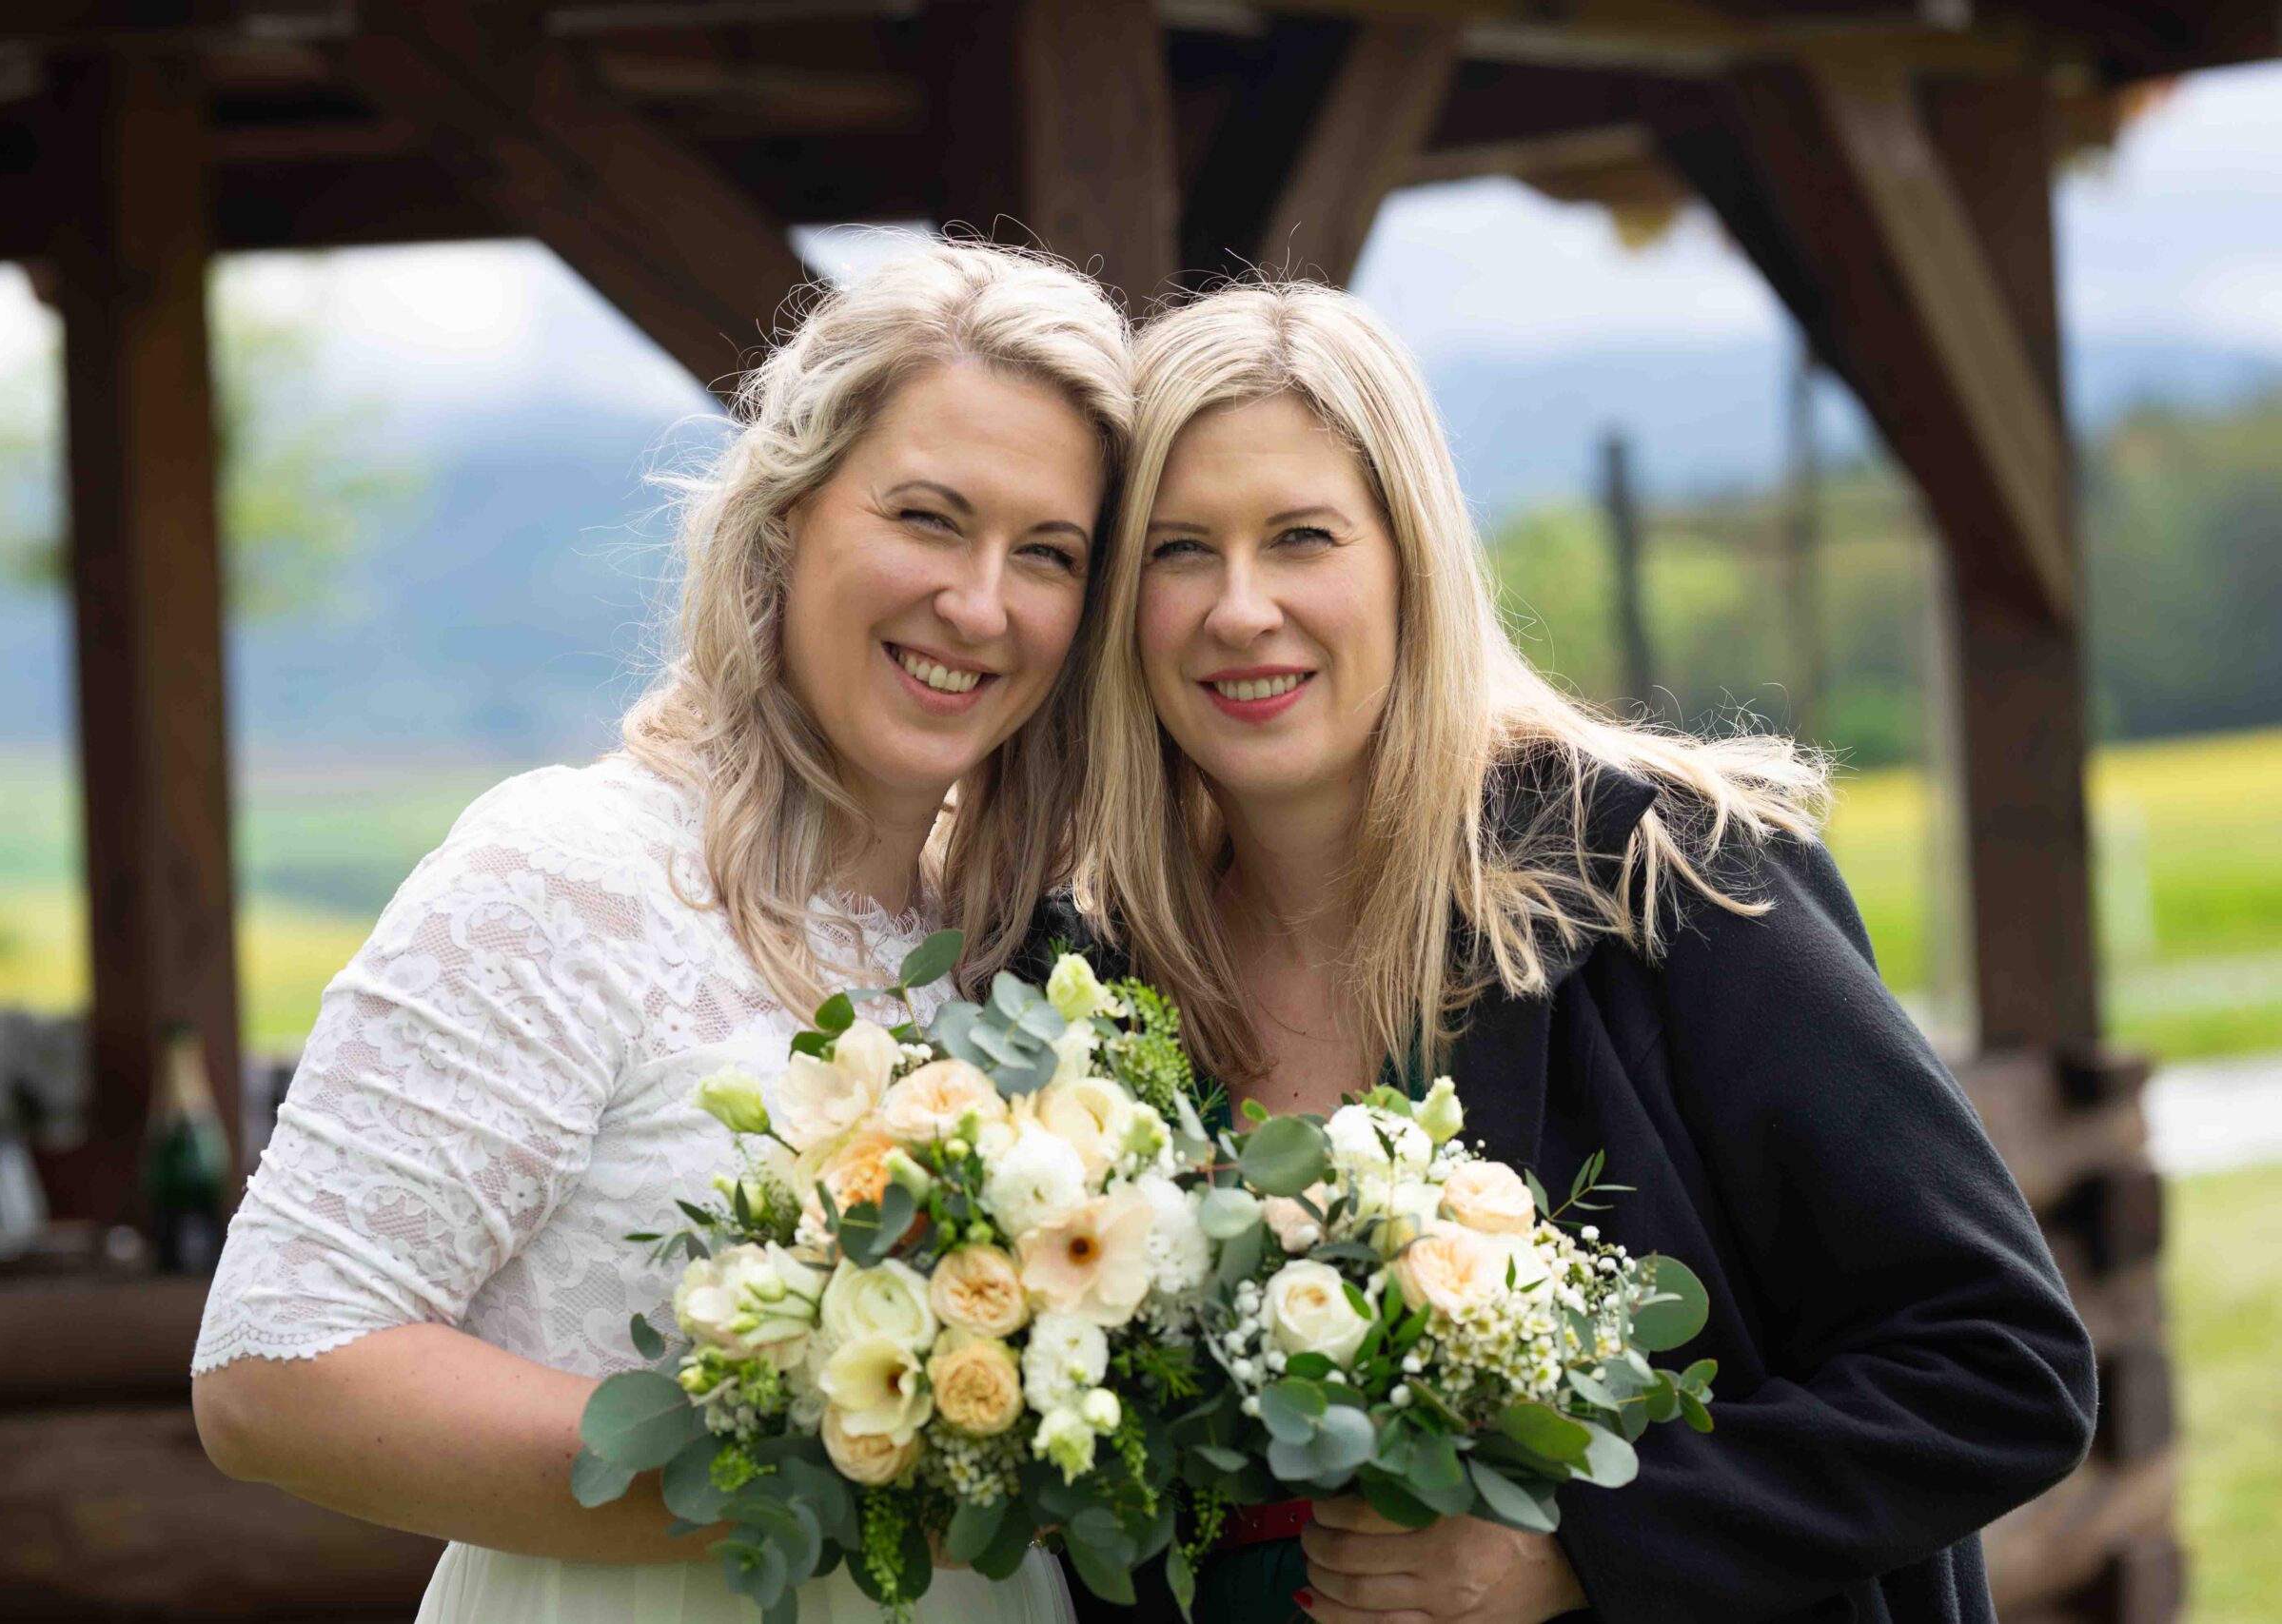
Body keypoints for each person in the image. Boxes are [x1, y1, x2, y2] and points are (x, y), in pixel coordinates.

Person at [1062, 283, 2096, 1623]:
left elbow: (2003, 1365)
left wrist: (1584, 1545)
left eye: (1302, 537)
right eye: (1179, 550)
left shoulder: (1671, 879)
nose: (1239, 607)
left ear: (1412, 559)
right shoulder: (1093, 989)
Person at [189, 240, 1133, 1623]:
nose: (981, 603)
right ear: (787, 518)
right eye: (929, 519)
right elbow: (276, 1371)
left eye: (1047, 554)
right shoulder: (566, 874)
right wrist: (829, 1483)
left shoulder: (1026, 951)